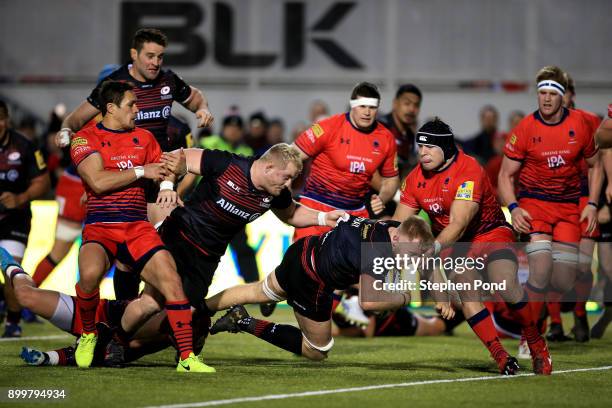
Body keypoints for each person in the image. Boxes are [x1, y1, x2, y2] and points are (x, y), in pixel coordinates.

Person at [68, 80, 213, 373]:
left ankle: (187, 358)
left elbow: (165, 168)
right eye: (131, 105)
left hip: (136, 226)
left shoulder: (145, 138)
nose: (138, 109)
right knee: (90, 275)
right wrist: (139, 171)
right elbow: (97, 181)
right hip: (101, 225)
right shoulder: (84, 139)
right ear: (110, 108)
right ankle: (88, 334)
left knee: (171, 281)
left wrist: (169, 185)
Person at [393, 118, 550, 375]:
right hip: (457, 246)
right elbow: (398, 224)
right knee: (468, 292)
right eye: (420, 147)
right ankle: (500, 356)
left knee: (506, 284)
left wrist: (432, 250)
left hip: (489, 233)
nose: (423, 152)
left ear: (445, 148)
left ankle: (534, 340)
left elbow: (460, 222)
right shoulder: (414, 180)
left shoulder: (469, 169)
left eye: (430, 147)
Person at [207, 215, 438, 362]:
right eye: (409, 255)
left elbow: (410, 239)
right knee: (317, 350)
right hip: (313, 280)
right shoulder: (375, 252)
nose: (409, 261)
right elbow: (369, 302)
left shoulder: (389, 226)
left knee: (255, 291)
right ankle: (243, 321)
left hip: (302, 250)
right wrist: (404, 298)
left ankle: (196, 308)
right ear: (396, 239)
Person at [56, 28, 213, 226]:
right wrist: (65, 130)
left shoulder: (169, 81)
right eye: (150, 56)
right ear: (134, 54)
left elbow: (195, 97)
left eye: (160, 57)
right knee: (115, 240)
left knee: (164, 237)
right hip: (124, 175)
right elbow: (76, 119)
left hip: (159, 173)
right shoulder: (114, 84)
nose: (155, 63)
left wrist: (203, 109)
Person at [498, 66, 602, 349]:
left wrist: (592, 204)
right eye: (541, 93)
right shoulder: (525, 128)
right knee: (540, 271)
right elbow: (504, 176)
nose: (545, 99)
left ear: (562, 96)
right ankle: (529, 335)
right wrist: (515, 208)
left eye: (551, 94)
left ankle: (561, 314)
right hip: (535, 206)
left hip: (569, 207)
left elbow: (596, 166)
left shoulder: (581, 124)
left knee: (566, 279)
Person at [292, 82, 400, 239]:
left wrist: (382, 197)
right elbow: (292, 154)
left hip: (354, 213)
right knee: (304, 261)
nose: (367, 112)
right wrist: (281, 183)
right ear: (352, 105)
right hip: (316, 207)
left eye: (372, 107)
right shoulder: (327, 127)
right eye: (362, 106)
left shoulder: (386, 138)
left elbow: (391, 180)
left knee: (364, 261)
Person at [543, 72, 603, 342]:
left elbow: (604, 161)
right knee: (555, 266)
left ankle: (579, 314)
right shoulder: (542, 124)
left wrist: (597, 201)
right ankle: (555, 323)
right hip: (556, 202)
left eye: (561, 91)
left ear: (570, 94)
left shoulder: (590, 121)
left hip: (585, 199)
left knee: (582, 266)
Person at [0, 100, 51, 337]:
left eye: (1, 118)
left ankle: (13, 321)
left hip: (15, 220)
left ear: (7, 119)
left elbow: (43, 181)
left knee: (10, 268)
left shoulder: (24, 146)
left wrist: (20, 198)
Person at [378, 84, 422, 177]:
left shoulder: (410, 136)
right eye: (407, 103)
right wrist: (393, 191)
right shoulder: (381, 129)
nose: (411, 109)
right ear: (395, 103)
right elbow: (371, 170)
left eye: (416, 105)